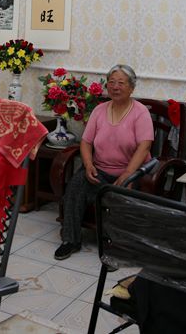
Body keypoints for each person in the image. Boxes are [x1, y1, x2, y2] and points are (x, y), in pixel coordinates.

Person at [54, 64, 154, 260]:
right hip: (99, 171)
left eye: (121, 83)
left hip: (130, 172)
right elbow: (86, 142)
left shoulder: (140, 112)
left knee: (120, 196)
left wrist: (128, 174)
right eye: (112, 82)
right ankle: (70, 240)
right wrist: (89, 165)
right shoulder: (99, 110)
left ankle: (117, 246)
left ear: (132, 87)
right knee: (76, 185)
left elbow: (144, 147)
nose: (115, 87)